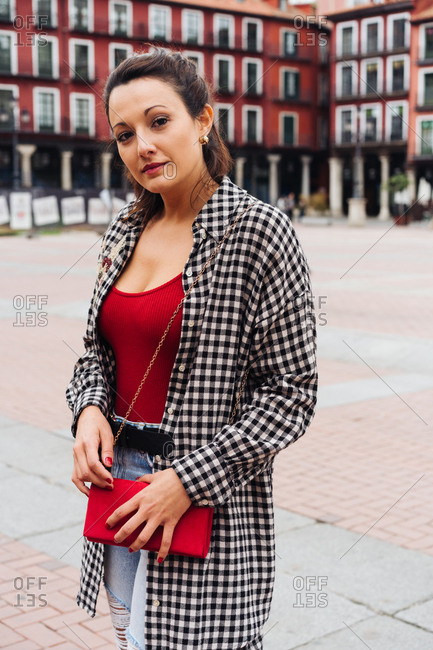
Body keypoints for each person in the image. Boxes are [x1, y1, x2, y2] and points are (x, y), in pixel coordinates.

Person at [67, 47, 317, 650]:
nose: (142, 146)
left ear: (203, 121)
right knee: (134, 638)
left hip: (205, 498)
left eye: (159, 122)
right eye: (125, 134)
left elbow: (290, 396)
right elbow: (94, 353)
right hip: (119, 488)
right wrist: (89, 410)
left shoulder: (258, 232)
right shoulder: (126, 229)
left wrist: (188, 481)